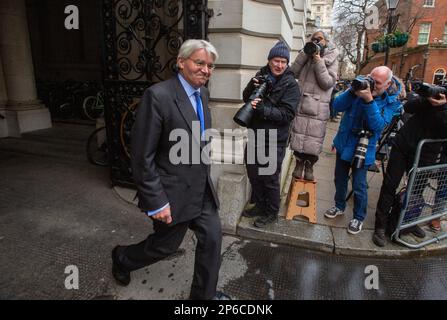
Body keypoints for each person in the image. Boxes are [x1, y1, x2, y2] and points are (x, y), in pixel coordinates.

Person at [111, 39, 230, 300]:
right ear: (181, 62)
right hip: (172, 194)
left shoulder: (204, 94)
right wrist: (156, 202)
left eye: (210, 66)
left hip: (201, 191)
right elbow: (142, 156)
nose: (206, 70)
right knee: (164, 247)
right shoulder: (158, 96)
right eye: (199, 63)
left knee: (212, 239)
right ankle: (122, 257)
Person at [324, 66, 402, 235]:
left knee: (359, 185)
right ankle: (339, 206)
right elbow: (336, 106)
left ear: (388, 84)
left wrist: (368, 101)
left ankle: (358, 217)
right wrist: (352, 91)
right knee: (339, 179)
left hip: (364, 147)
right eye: (371, 78)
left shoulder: (392, 101)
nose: (373, 84)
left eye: (378, 82)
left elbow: (379, 125)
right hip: (344, 141)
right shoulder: (360, 87)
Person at [372, 92, 447, 247]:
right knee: (389, 185)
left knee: (415, 192)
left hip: (426, 153)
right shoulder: (436, 93)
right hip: (403, 145)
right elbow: (408, 107)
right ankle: (380, 225)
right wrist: (426, 99)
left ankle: (407, 222)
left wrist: (442, 106)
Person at [240, 40, 300, 228]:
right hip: (255, 134)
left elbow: (287, 115)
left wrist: (264, 110)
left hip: (274, 139)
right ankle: (258, 205)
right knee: (253, 173)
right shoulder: (261, 75)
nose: (279, 65)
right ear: (269, 60)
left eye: (283, 61)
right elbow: (246, 97)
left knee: (269, 178)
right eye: (276, 60)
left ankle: (271, 212)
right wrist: (252, 86)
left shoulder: (291, 85)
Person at [289, 30, 339, 180]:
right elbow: (292, 72)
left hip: (318, 108)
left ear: (326, 42)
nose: (317, 42)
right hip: (302, 103)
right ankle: (298, 163)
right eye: (314, 39)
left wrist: (318, 60)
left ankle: (309, 165)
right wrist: (305, 54)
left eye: (320, 39)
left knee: (313, 139)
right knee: (299, 135)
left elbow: (327, 83)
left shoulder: (332, 57)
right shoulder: (306, 54)